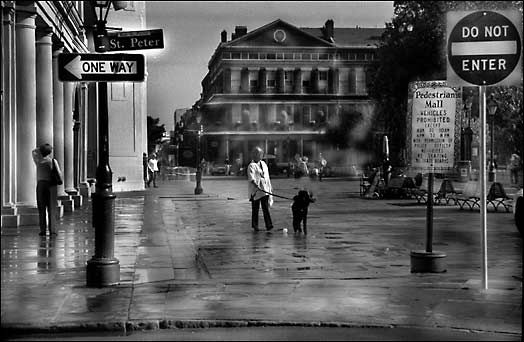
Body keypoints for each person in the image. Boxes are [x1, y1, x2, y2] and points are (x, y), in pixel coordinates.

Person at [32, 144, 62, 237]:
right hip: (51, 186)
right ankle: (53, 230)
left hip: (41, 185)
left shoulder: (38, 161)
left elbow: (33, 152)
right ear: (50, 152)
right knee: (52, 208)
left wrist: (40, 149)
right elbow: (59, 173)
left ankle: (43, 230)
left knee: (41, 209)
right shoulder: (53, 161)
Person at [247, 146, 274, 232]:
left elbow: (267, 177)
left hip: (264, 190)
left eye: (261, 154)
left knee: (265, 208)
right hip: (256, 191)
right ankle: (255, 226)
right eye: (259, 154)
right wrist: (256, 185)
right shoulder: (251, 166)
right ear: (254, 155)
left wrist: (270, 187)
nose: (261, 156)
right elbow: (251, 178)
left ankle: (269, 225)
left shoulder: (264, 164)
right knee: (255, 209)